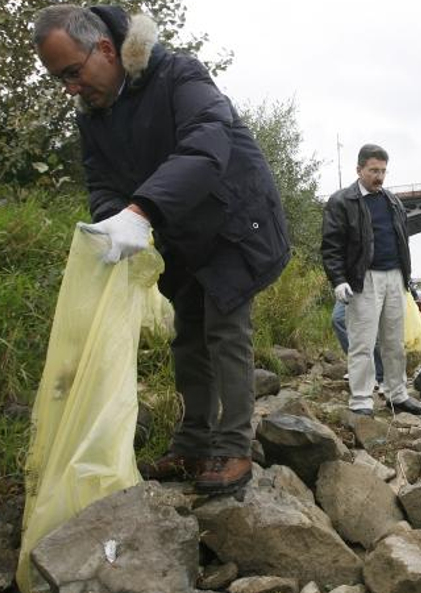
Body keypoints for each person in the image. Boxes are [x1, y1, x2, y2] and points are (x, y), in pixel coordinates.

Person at [33, 5, 290, 494]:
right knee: (187, 334)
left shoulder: (180, 75)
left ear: (105, 50)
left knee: (225, 327)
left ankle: (234, 446)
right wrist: (115, 220)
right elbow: (102, 180)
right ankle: (193, 445)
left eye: (72, 73)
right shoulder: (93, 117)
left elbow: (205, 146)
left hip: (236, 220)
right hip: (178, 229)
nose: (70, 88)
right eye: (59, 79)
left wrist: (142, 209)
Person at [321, 144, 421, 417]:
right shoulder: (342, 201)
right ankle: (361, 400)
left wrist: (407, 281)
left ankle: (396, 394)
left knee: (394, 343)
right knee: (362, 343)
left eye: (383, 171)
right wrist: (338, 280)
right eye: (373, 171)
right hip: (364, 279)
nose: (379, 176)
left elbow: (402, 241)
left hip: (395, 278)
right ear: (359, 170)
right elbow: (331, 245)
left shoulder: (393, 201)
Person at [331, 300, 384, 389]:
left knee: (371, 326)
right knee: (338, 319)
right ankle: (360, 366)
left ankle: (381, 377)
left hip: (373, 288)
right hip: (351, 287)